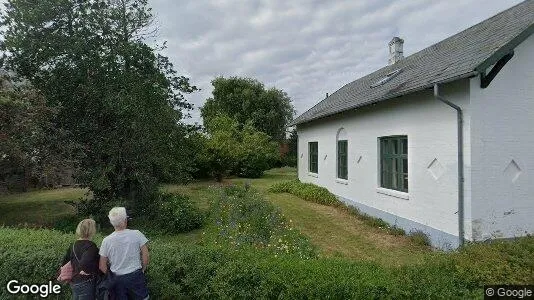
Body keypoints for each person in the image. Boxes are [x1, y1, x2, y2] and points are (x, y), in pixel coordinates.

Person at [99, 207, 150, 300]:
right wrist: (143, 269)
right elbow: (145, 255)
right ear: (125, 220)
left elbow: (102, 266)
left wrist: (112, 277)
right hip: (135, 277)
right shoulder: (137, 234)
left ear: (111, 222)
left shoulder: (106, 241)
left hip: (117, 280)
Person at [62, 219, 100, 300]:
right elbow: (85, 262)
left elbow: (64, 262)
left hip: (74, 282)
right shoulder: (91, 246)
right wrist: (87, 270)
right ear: (92, 230)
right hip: (86, 283)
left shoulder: (73, 245)